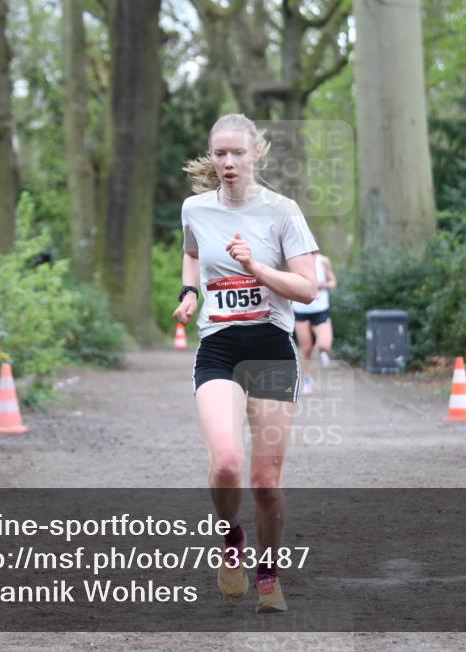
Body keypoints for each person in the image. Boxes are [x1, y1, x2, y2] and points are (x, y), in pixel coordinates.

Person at [173, 114, 319, 614]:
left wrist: (255, 265)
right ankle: (231, 539)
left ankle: (268, 574)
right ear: (211, 157)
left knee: (264, 480)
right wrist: (189, 292)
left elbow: (307, 287)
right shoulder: (195, 208)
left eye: (237, 153)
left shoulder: (282, 211)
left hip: (272, 348)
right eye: (220, 154)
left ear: (257, 152)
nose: (228, 163)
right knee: (228, 463)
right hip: (218, 347)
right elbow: (192, 253)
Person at [291, 254, 337, 394]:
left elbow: (333, 281)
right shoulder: (294, 261)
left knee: (325, 344)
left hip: (320, 309)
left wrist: (324, 285)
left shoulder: (323, 260)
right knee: (306, 350)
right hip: (301, 310)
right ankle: (307, 380)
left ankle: (321, 352)